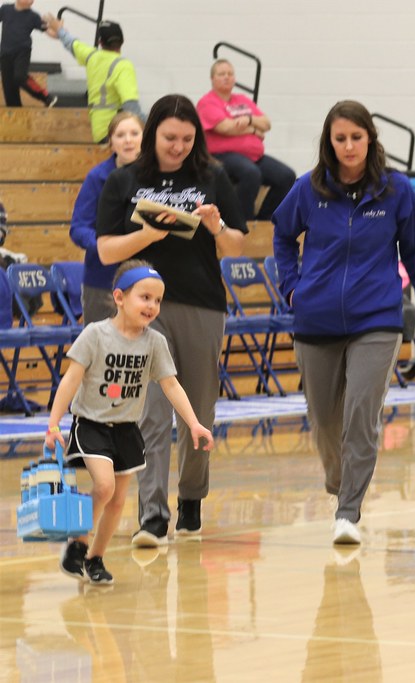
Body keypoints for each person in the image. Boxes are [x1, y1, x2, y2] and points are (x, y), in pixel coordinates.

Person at [272, 99, 415, 546]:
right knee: (325, 421)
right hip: (316, 319)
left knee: (361, 414)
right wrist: (292, 287)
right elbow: (282, 233)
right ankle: (339, 482)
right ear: (329, 143)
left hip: (377, 319)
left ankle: (348, 510)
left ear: (370, 138)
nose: (349, 146)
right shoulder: (308, 189)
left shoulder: (396, 191)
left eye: (356, 137)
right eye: (340, 138)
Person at [95, 93, 247, 547]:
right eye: (169, 138)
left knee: (198, 408)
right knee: (151, 413)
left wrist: (217, 226)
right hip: (140, 311)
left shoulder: (213, 176)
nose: (178, 146)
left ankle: (192, 501)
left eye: (186, 138)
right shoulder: (123, 180)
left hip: (201, 303)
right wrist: (147, 233)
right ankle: (153, 514)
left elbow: (236, 246)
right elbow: (105, 250)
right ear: (151, 135)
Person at [45, 260, 215, 585]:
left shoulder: (154, 343)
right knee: (105, 487)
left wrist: (193, 423)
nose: (152, 306)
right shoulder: (95, 334)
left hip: (127, 429)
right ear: (120, 298)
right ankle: (77, 546)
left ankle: (95, 558)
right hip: (91, 424)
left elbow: (171, 385)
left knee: (119, 500)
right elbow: (70, 381)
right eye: (145, 297)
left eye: (157, 300)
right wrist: (54, 423)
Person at [197, 59, 295, 221]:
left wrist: (249, 120)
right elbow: (226, 127)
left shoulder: (242, 100)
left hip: (254, 156)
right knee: (251, 173)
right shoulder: (207, 102)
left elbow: (266, 123)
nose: (227, 77)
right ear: (212, 79)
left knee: (287, 176)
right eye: (221, 74)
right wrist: (254, 130)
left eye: (230, 74)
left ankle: (264, 220)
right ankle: (241, 222)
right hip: (222, 155)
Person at [69, 111, 143, 322]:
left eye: (134, 133)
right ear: (111, 142)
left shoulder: (157, 177)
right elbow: (79, 228)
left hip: (146, 279)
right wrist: (108, 247)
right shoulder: (97, 177)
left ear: (144, 138)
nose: (128, 140)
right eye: (120, 135)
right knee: (102, 350)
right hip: (103, 282)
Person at [44, 16, 143, 143]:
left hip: (99, 130)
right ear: (122, 41)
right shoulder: (124, 66)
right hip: (117, 132)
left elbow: (72, 43)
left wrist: (60, 31)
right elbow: (131, 107)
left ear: (101, 42)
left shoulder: (91, 56)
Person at [0, 0, 57, 106]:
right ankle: (15, 113)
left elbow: (50, 32)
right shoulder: (5, 9)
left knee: (20, 76)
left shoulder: (33, 16)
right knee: (9, 88)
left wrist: (59, 30)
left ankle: (45, 96)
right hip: (5, 54)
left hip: (22, 53)